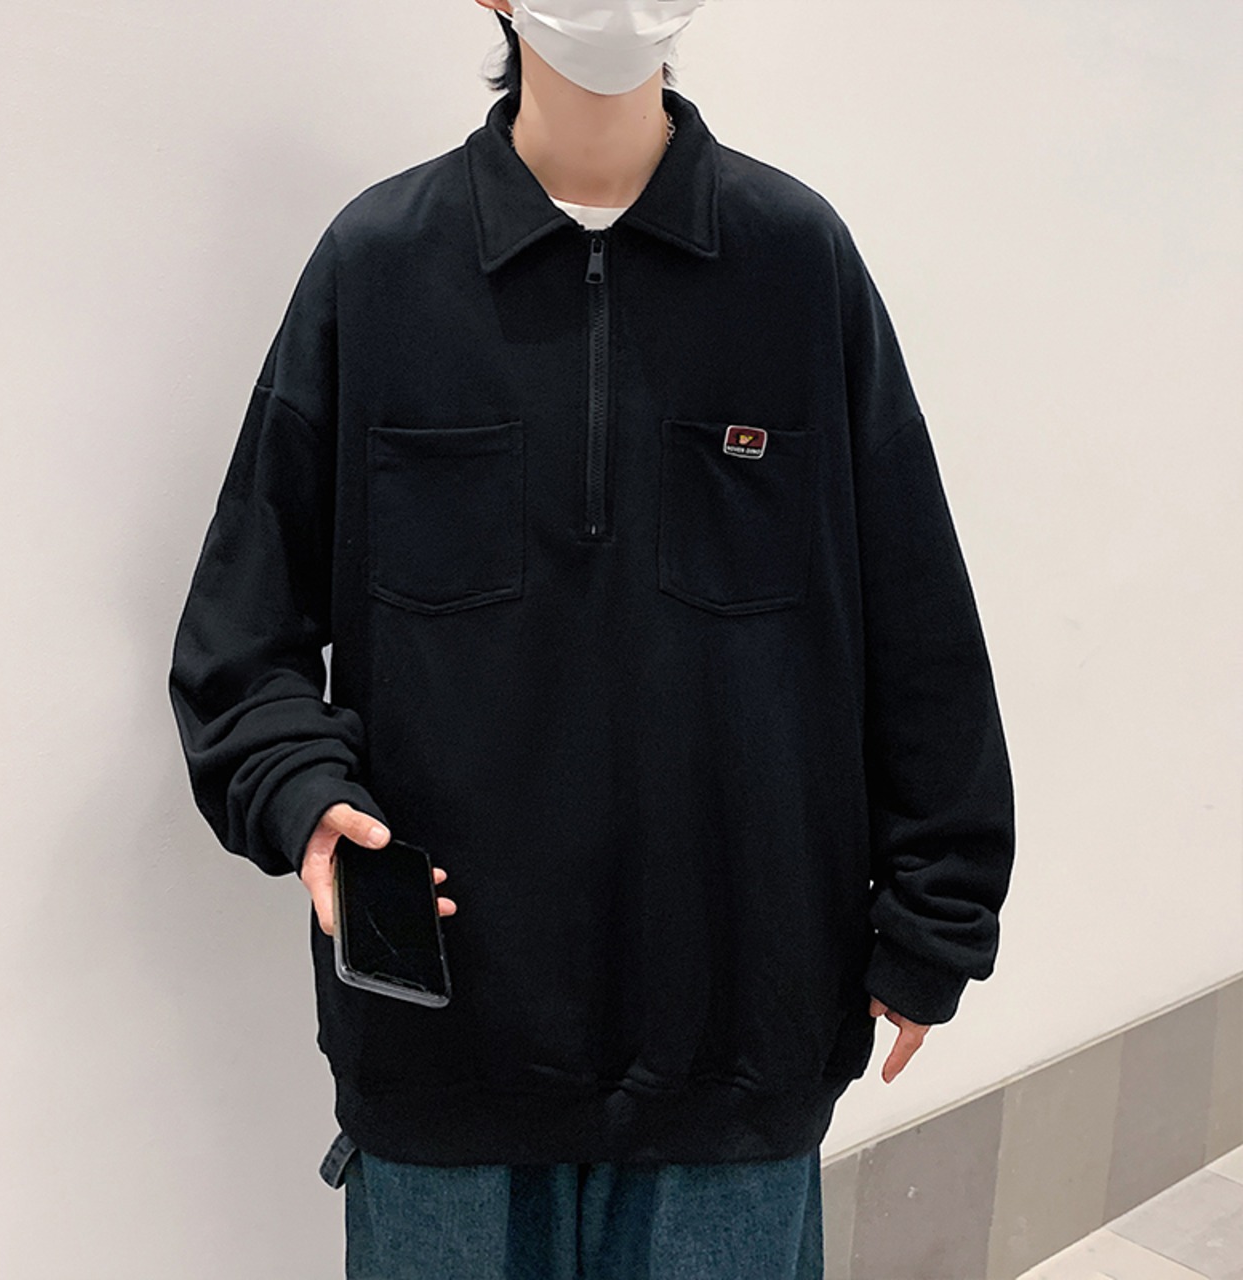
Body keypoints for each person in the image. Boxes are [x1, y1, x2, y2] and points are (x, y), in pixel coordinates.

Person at [167, 1, 1017, 1275]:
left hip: (735, 1049)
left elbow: (917, 621)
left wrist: (936, 909)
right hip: (442, 1051)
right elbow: (238, 639)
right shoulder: (377, 265)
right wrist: (299, 792)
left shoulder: (796, 264)